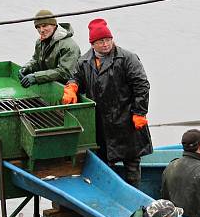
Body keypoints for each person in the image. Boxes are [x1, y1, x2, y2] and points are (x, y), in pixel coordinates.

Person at [62, 18, 151, 186]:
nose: (105, 44)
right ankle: (109, 194)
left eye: (108, 40)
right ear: (92, 44)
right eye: (101, 41)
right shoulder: (84, 61)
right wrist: (71, 87)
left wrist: (140, 112)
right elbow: (75, 77)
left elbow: (142, 86)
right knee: (104, 163)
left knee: (132, 163)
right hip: (101, 123)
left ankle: (135, 197)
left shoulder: (127, 58)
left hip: (127, 120)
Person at [18, 9, 80, 87]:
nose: (41, 30)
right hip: (49, 84)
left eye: (44, 26)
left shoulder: (69, 46)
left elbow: (65, 72)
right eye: (38, 27)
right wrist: (27, 67)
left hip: (68, 88)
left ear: (54, 25)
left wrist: (36, 77)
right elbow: (36, 60)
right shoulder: (40, 42)